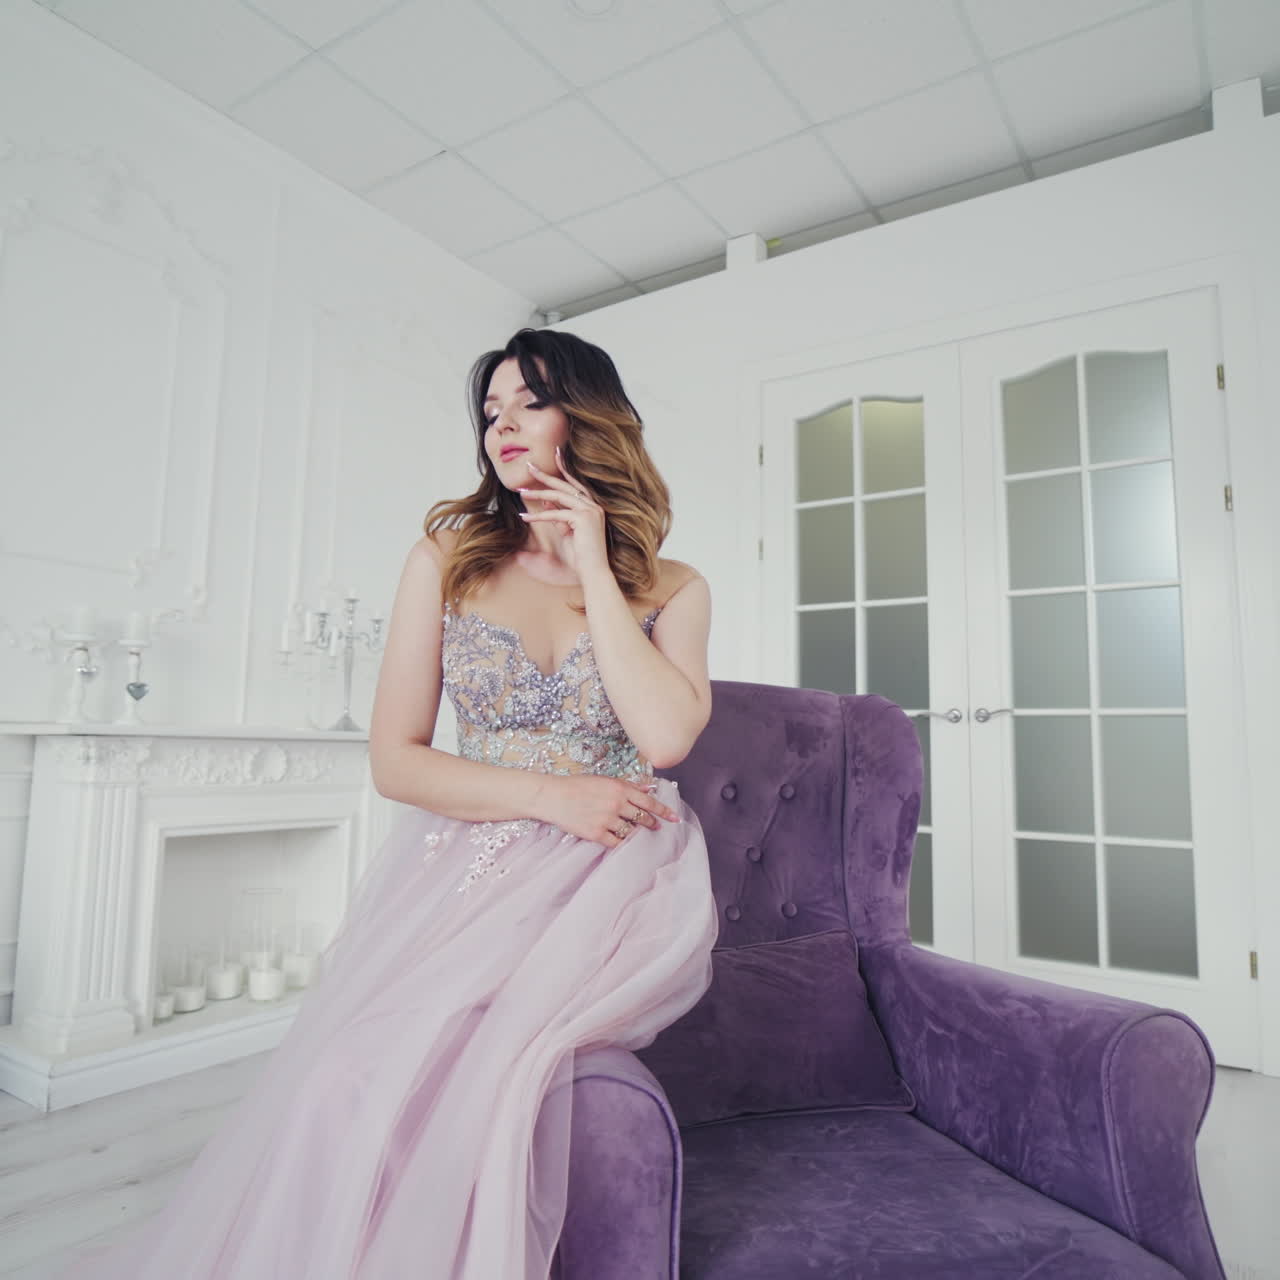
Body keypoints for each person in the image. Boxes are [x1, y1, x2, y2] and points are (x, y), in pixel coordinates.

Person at [61, 327, 718, 1279]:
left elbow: (662, 741)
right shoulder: (447, 562)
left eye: (529, 400)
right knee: (343, 1080)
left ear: (590, 411)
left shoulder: (675, 585)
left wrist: (595, 566)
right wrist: (549, 795)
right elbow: (395, 762)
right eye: (490, 411)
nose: (502, 426)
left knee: (488, 1084)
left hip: (614, 876)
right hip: (476, 864)